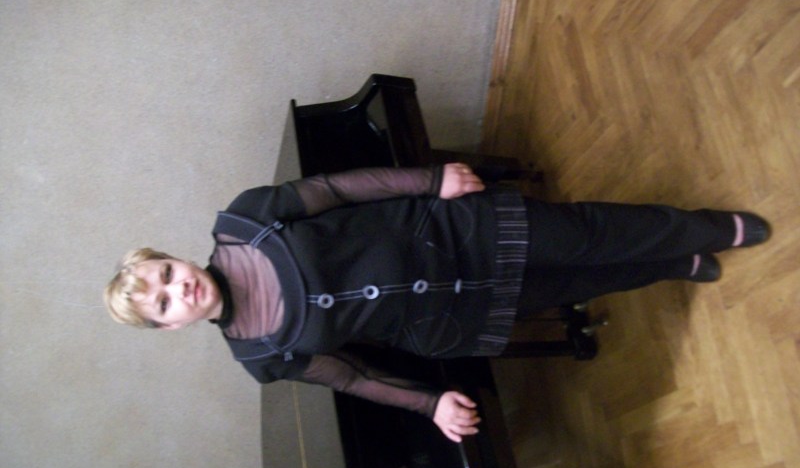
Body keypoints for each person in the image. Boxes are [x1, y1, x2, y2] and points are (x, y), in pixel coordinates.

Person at [104, 164, 770, 442]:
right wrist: (429, 405)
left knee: (589, 233)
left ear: (174, 257)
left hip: (454, 232)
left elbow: (337, 190)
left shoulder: (245, 220)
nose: (177, 288)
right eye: (163, 302)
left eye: (166, 273)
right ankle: (675, 264)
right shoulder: (260, 357)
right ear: (170, 326)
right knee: (578, 285)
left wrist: (429, 180)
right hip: (452, 316)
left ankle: (708, 228)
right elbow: (351, 376)